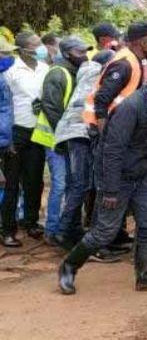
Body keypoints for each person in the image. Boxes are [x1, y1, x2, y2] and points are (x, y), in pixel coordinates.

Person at [57, 66, 147, 294]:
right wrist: (109, 190)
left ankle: (146, 276)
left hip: (141, 175)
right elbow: (112, 151)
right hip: (119, 178)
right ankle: (69, 266)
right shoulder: (131, 108)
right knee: (104, 232)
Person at [83, 21, 147, 256]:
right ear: (140, 42)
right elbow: (101, 100)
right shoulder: (125, 64)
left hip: (120, 133)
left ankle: (112, 238)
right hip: (109, 135)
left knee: (115, 188)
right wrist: (107, 133)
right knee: (107, 187)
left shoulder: (134, 61)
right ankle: (98, 245)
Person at [53, 50, 114, 250]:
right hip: (80, 132)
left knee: (76, 184)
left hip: (68, 132)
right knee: (81, 184)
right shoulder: (99, 78)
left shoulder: (85, 73)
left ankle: (72, 230)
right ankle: (63, 232)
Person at [36, 36, 92, 245]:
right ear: (68, 53)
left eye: (85, 51)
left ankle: (68, 229)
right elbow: (50, 107)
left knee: (72, 184)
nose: (84, 55)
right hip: (54, 138)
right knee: (60, 184)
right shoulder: (58, 73)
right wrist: (64, 134)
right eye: (80, 52)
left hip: (65, 139)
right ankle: (52, 230)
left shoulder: (75, 72)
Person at [3, 32, 50, 245]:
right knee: (12, 183)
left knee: (34, 180)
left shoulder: (44, 68)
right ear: (22, 49)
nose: (40, 47)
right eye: (35, 44)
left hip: (37, 130)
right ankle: (7, 229)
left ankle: (30, 222)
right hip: (16, 131)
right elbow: (5, 105)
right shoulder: (11, 71)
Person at [0, 39, 15, 245]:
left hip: (4, 140)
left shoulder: (3, 77)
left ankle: (6, 229)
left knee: (6, 184)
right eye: (4, 54)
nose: (8, 58)